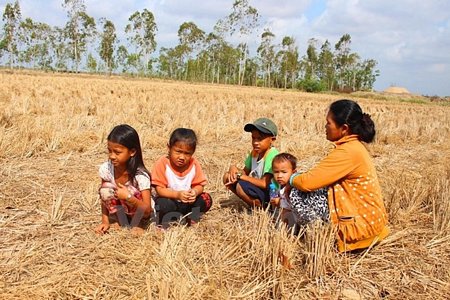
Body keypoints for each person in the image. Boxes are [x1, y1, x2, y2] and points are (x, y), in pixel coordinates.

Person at [289, 99, 389, 252]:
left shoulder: (348, 152)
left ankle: (319, 235)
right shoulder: (354, 147)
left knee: (297, 191)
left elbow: (307, 182)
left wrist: (290, 178)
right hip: (371, 224)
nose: (325, 126)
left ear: (344, 128)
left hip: (360, 230)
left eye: (328, 123)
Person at [95, 124, 152, 234]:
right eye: (109, 151)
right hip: (122, 210)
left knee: (130, 191)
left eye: (117, 152)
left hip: (139, 211)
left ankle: (138, 223)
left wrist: (128, 197)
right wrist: (105, 221)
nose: (112, 156)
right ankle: (120, 219)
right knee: (105, 189)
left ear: (132, 152)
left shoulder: (140, 176)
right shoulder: (107, 169)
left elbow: (148, 210)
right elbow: (104, 197)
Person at [151, 128, 212, 227]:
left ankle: (192, 218)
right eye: (178, 152)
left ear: (193, 152)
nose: (182, 157)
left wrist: (195, 192)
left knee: (206, 198)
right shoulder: (162, 163)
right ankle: (165, 221)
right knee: (162, 204)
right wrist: (177, 195)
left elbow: (199, 185)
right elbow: (160, 190)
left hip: (187, 204)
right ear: (169, 147)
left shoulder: (194, 164)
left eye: (187, 153)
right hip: (170, 202)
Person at [223, 118, 279, 208]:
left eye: (260, 139)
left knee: (240, 186)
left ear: (272, 140)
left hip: (271, 193)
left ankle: (263, 207)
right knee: (227, 176)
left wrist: (240, 176)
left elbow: (264, 184)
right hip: (258, 188)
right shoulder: (255, 152)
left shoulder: (272, 156)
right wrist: (233, 168)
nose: (255, 142)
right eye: (253, 138)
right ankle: (254, 203)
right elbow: (245, 171)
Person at [270, 153, 329, 229]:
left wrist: (279, 202)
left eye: (284, 172)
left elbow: (291, 206)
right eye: (276, 172)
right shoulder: (278, 185)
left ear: (293, 172)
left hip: (308, 218)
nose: (279, 176)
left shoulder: (294, 188)